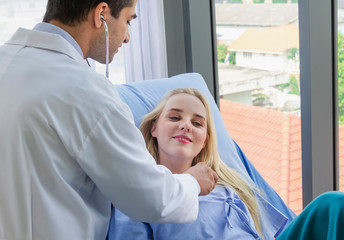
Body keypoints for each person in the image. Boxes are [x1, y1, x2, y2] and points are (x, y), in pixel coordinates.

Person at [0, 1, 218, 239]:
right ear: (101, 14)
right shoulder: (86, 92)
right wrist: (193, 182)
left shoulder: (7, 60)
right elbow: (151, 198)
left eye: (198, 123)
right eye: (127, 21)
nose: (126, 38)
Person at [108, 88, 344, 240]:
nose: (185, 125)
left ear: (204, 141)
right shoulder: (140, 193)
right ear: (153, 127)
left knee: (336, 206)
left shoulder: (228, 187)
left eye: (197, 123)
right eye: (174, 117)